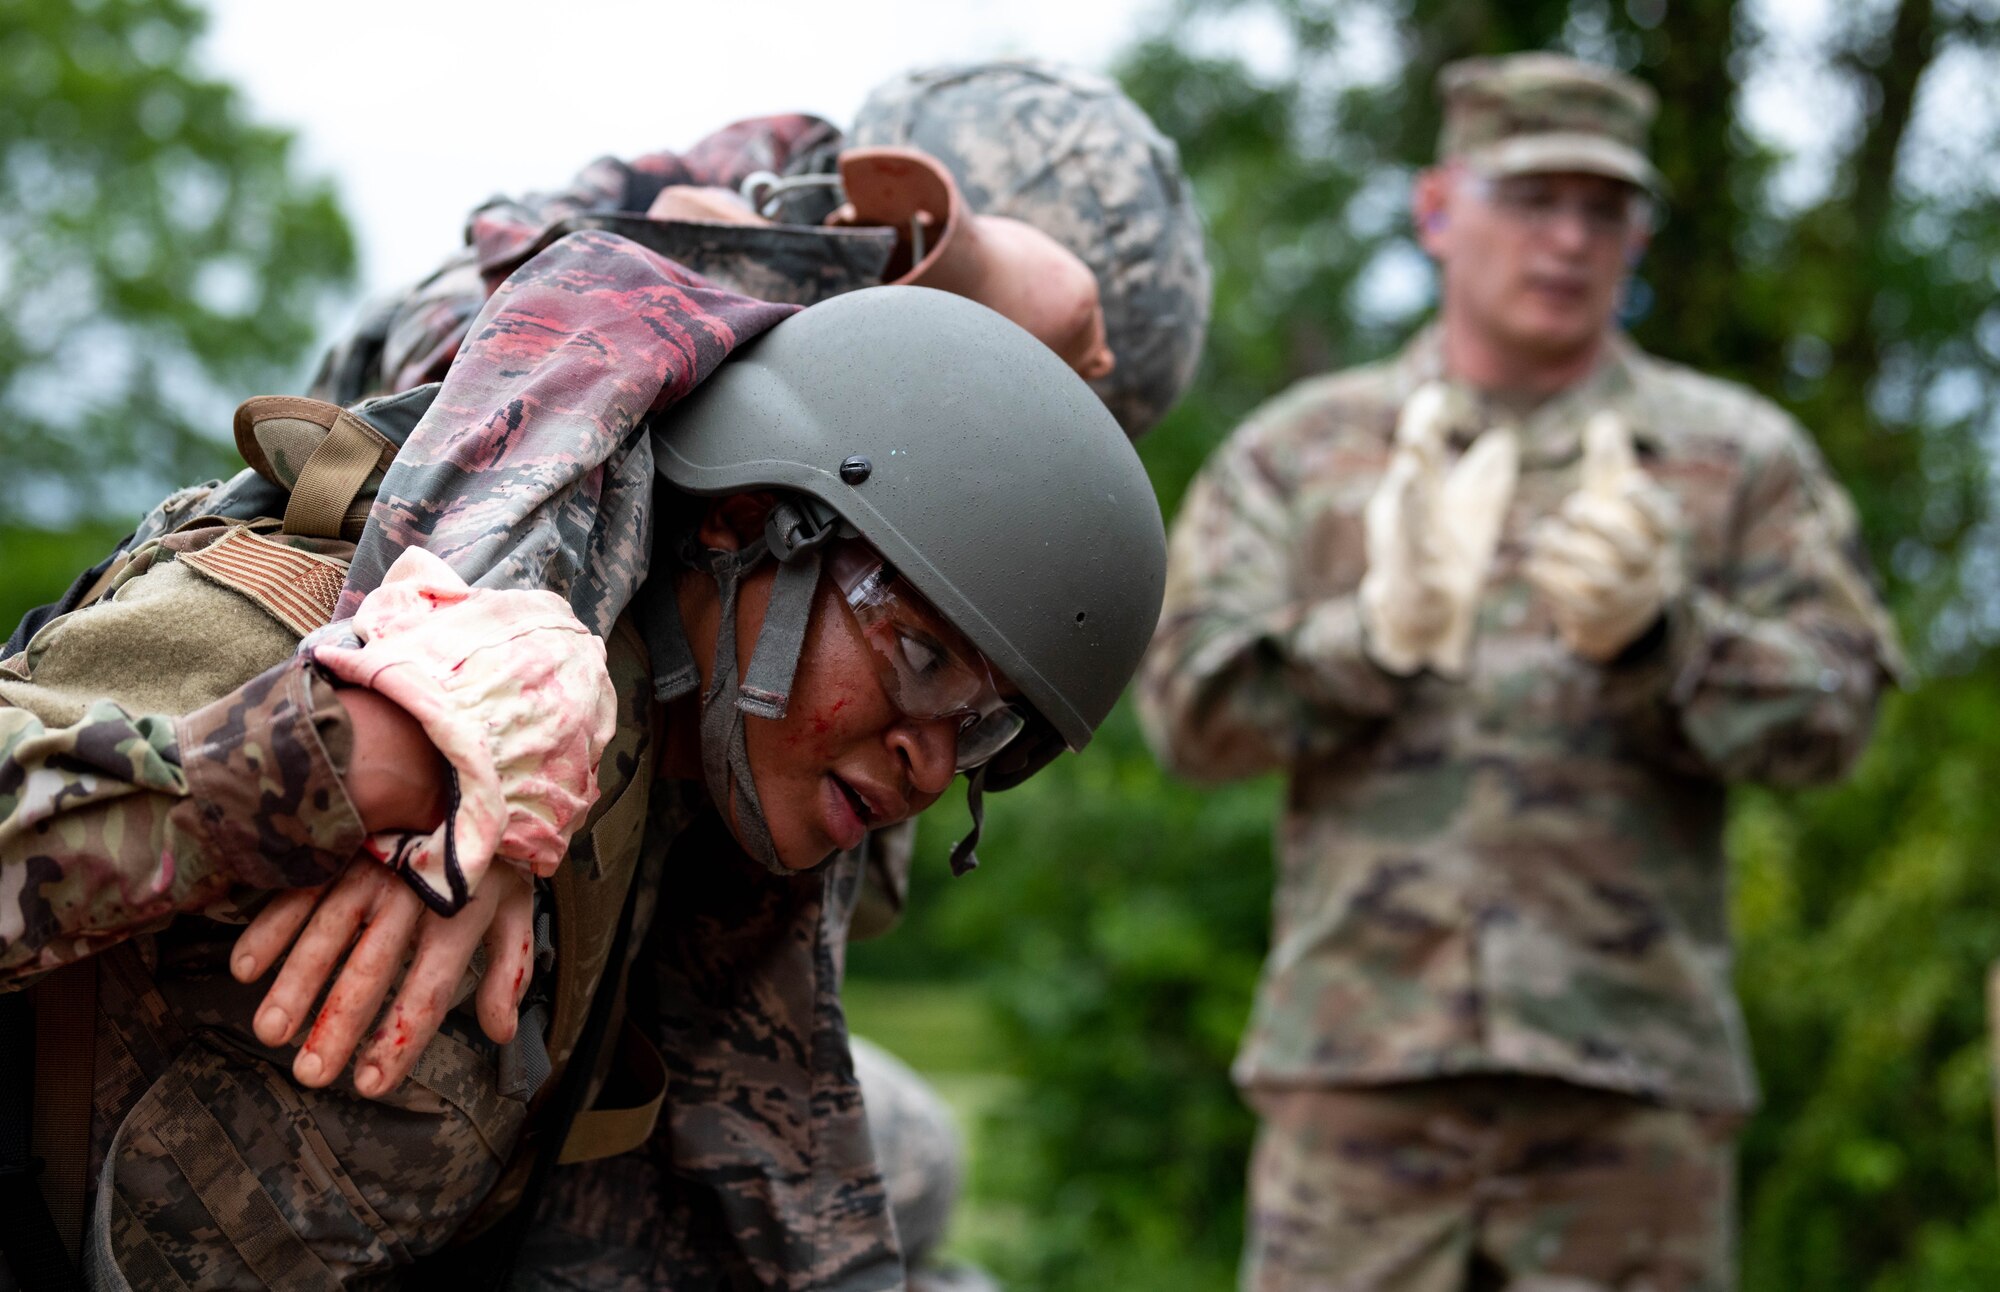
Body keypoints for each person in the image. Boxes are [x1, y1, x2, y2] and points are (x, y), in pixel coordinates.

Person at [2, 270, 1166, 1288]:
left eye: (984, 727)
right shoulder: (347, 640)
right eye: (919, 656)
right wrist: (339, 761)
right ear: (746, 524)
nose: (929, 759)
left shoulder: (684, 783)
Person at [1137, 52, 1903, 1292]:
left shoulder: (1731, 458)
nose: (1565, 239)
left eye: (1601, 210)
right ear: (1436, 210)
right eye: (1529, 197)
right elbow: (1182, 714)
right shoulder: (1300, 454)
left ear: (1637, 233)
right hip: (1360, 1083)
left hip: (1626, 1092)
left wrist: (1670, 642)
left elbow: (1841, 719)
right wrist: (1364, 637)